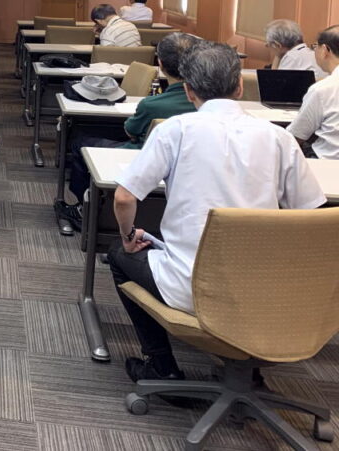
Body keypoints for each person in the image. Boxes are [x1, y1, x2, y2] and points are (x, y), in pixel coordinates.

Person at [108, 41, 324, 384]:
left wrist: (128, 235)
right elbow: (313, 216)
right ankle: (248, 371)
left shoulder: (174, 130)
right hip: (266, 291)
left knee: (119, 255)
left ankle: (162, 367)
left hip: (191, 287)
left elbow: (123, 198)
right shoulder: (279, 138)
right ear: (239, 87)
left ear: (188, 90)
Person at [60, 33, 199, 230]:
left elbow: (130, 131)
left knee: (81, 142)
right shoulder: (208, 105)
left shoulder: (152, 105)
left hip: (139, 159)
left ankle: (84, 209)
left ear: (160, 64)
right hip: (188, 171)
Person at [288, 25, 339, 159]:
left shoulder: (323, 89)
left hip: (326, 163)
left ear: (325, 50)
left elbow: (296, 136)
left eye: (315, 46)